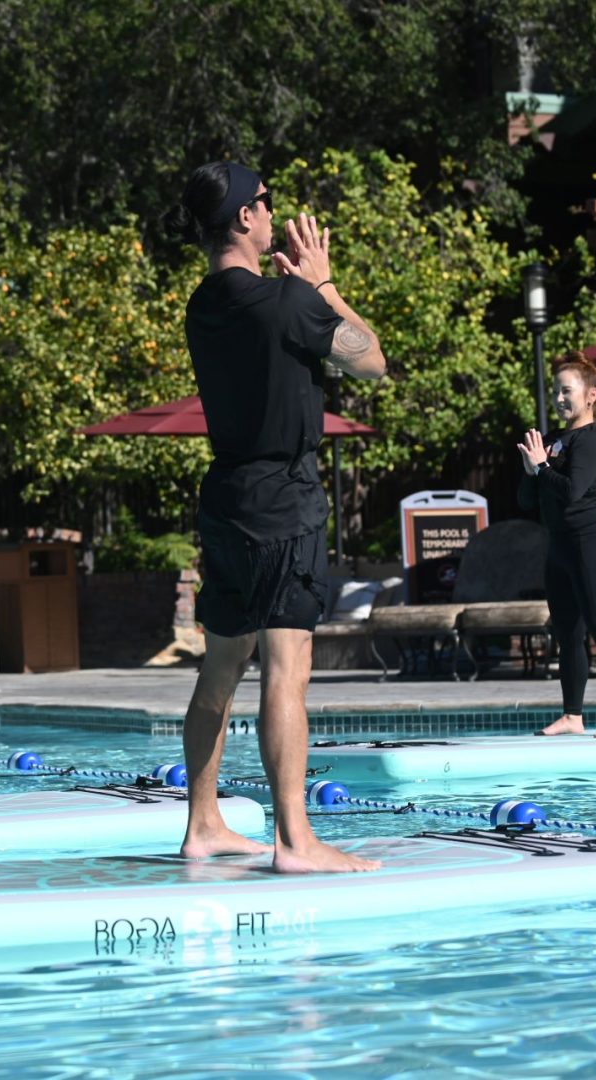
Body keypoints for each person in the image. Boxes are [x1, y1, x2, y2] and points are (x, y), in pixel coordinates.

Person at [165, 162, 387, 874]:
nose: (270, 212)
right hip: (284, 503)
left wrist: (299, 293)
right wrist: (323, 284)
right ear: (242, 218)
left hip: (227, 499)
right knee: (288, 670)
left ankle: (203, 824)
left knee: (221, 668)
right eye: (263, 202)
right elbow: (371, 361)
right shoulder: (289, 300)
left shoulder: (203, 304)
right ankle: (296, 840)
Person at [517, 355, 596, 739]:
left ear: (591, 395)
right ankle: (573, 715)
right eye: (555, 391)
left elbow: (572, 492)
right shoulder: (551, 440)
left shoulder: (592, 441)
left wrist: (542, 468)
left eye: (566, 391)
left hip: (590, 545)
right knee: (568, 635)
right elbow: (526, 500)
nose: (558, 398)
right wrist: (531, 472)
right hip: (559, 547)